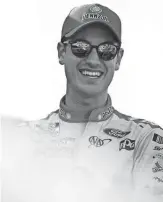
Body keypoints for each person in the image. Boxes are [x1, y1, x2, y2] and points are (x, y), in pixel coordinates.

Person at [1, 3, 163, 202]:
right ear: (61, 52)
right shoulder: (20, 138)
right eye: (81, 48)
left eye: (106, 50)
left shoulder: (147, 139)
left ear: (118, 59)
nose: (94, 59)